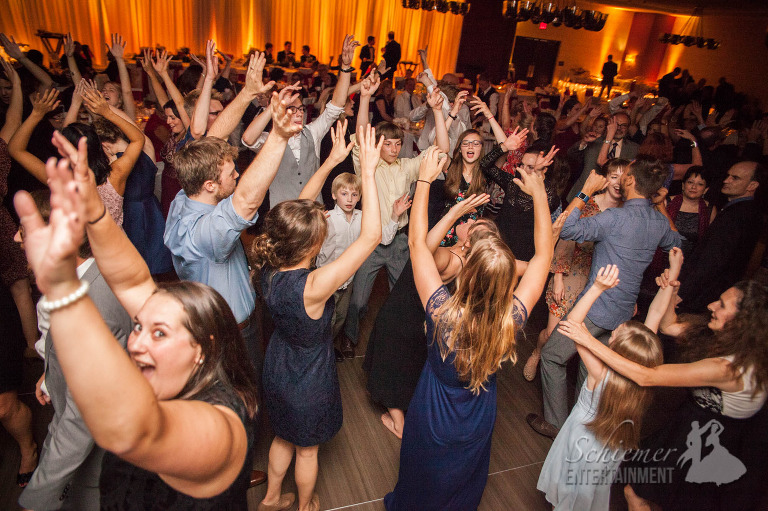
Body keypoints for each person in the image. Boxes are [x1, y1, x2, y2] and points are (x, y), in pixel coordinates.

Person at [14, 130, 261, 509]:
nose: (136, 340)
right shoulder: (167, 376)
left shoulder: (222, 417)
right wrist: (95, 213)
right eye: (141, 327)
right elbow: (131, 278)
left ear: (203, 351)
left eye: (159, 333)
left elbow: (145, 433)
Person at [384, 146, 553, 510]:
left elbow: (416, 243)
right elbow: (544, 257)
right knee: (463, 478)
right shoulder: (512, 319)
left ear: (468, 271)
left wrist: (426, 178)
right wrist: (540, 194)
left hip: (433, 409)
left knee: (421, 472)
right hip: (478, 414)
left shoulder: (442, 313)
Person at [252, 124, 382, 511]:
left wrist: (329, 163)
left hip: (277, 364)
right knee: (307, 451)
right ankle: (306, 506)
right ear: (311, 245)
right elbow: (371, 236)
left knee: (281, 438)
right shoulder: (314, 285)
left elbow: (292, 210)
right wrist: (369, 173)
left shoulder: (266, 266)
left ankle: (272, 499)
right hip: (308, 375)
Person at [561, 274, 768, 511]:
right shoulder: (724, 339)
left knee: (643, 494)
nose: (711, 305)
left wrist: (587, 338)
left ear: (742, 323)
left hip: (711, 438)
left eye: (721, 305)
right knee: (644, 493)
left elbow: (646, 375)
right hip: (690, 425)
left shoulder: (728, 369)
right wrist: (670, 289)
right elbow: (668, 325)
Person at [528, 157, 681, 437]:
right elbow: (677, 244)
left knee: (551, 355)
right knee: (590, 368)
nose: (622, 178)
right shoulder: (658, 222)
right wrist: (658, 204)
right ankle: (579, 427)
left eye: (627, 175)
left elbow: (569, 228)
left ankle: (557, 426)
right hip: (624, 311)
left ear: (632, 181)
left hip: (596, 307)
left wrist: (585, 192)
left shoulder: (615, 217)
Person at [18, 191, 132, 511]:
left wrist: (36, 497)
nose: (16, 238)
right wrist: (52, 372)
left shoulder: (90, 306)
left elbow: (80, 422)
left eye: (25, 233)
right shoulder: (85, 277)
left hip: (97, 461)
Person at [364, 194, 493, 438]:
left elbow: (422, 248)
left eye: (474, 225)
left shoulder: (450, 258)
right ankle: (410, 411)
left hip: (406, 310)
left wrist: (453, 213)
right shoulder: (473, 262)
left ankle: (399, 423)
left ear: (469, 243)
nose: (472, 218)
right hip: (426, 318)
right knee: (409, 360)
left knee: (389, 358)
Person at [339, 75, 449, 359]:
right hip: (372, 242)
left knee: (405, 298)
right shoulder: (368, 163)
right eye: (388, 144)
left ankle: (400, 347)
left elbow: (439, 152)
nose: (394, 149)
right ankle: (349, 338)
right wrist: (364, 98)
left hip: (400, 242)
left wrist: (438, 111)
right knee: (359, 302)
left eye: (398, 145)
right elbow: (362, 131)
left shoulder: (406, 166)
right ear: (378, 145)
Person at [539, 263, 665, 511]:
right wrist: (668, 286)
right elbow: (656, 316)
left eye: (616, 333)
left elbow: (572, 324)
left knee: (568, 499)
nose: (614, 329)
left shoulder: (601, 373)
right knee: (585, 498)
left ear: (618, 350)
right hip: (607, 454)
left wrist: (597, 287)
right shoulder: (643, 374)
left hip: (581, 446)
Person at [524, 160, 628, 381]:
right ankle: (538, 352)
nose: (618, 182)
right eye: (613, 176)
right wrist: (559, 276)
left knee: (579, 337)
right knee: (552, 334)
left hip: (600, 279)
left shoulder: (626, 213)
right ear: (605, 179)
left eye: (623, 177)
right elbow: (565, 238)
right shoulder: (587, 205)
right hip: (572, 271)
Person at [241, 35, 359, 208]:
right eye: (291, 109)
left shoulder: (312, 132)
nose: (298, 114)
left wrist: (345, 68)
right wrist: (272, 108)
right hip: (283, 214)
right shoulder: (271, 140)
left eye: (301, 109)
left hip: (312, 211)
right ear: (280, 113)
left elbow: (336, 105)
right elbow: (247, 139)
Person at [677, 161, 766, 313]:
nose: (726, 180)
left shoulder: (737, 215)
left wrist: (682, 293)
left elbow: (712, 260)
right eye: (728, 176)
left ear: (752, 186)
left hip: (703, 295)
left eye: (735, 178)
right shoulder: (742, 210)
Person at [479, 138, 561, 261]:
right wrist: (504, 147)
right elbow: (484, 165)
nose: (523, 170)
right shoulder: (513, 184)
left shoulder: (548, 195)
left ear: (545, 169)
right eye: (522, 164)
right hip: (499, 252)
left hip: (524, 259)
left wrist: (537, 174)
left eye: (531, 167)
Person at [567, 112, 639, 201]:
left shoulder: (634, 148)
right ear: (609, 125)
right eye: (616, 124)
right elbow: (570, 155)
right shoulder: (594, 140)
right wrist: (584, 142)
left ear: (628, 128)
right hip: (583, 195)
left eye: (623, 125)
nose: (618, 128)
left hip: (614, 201)